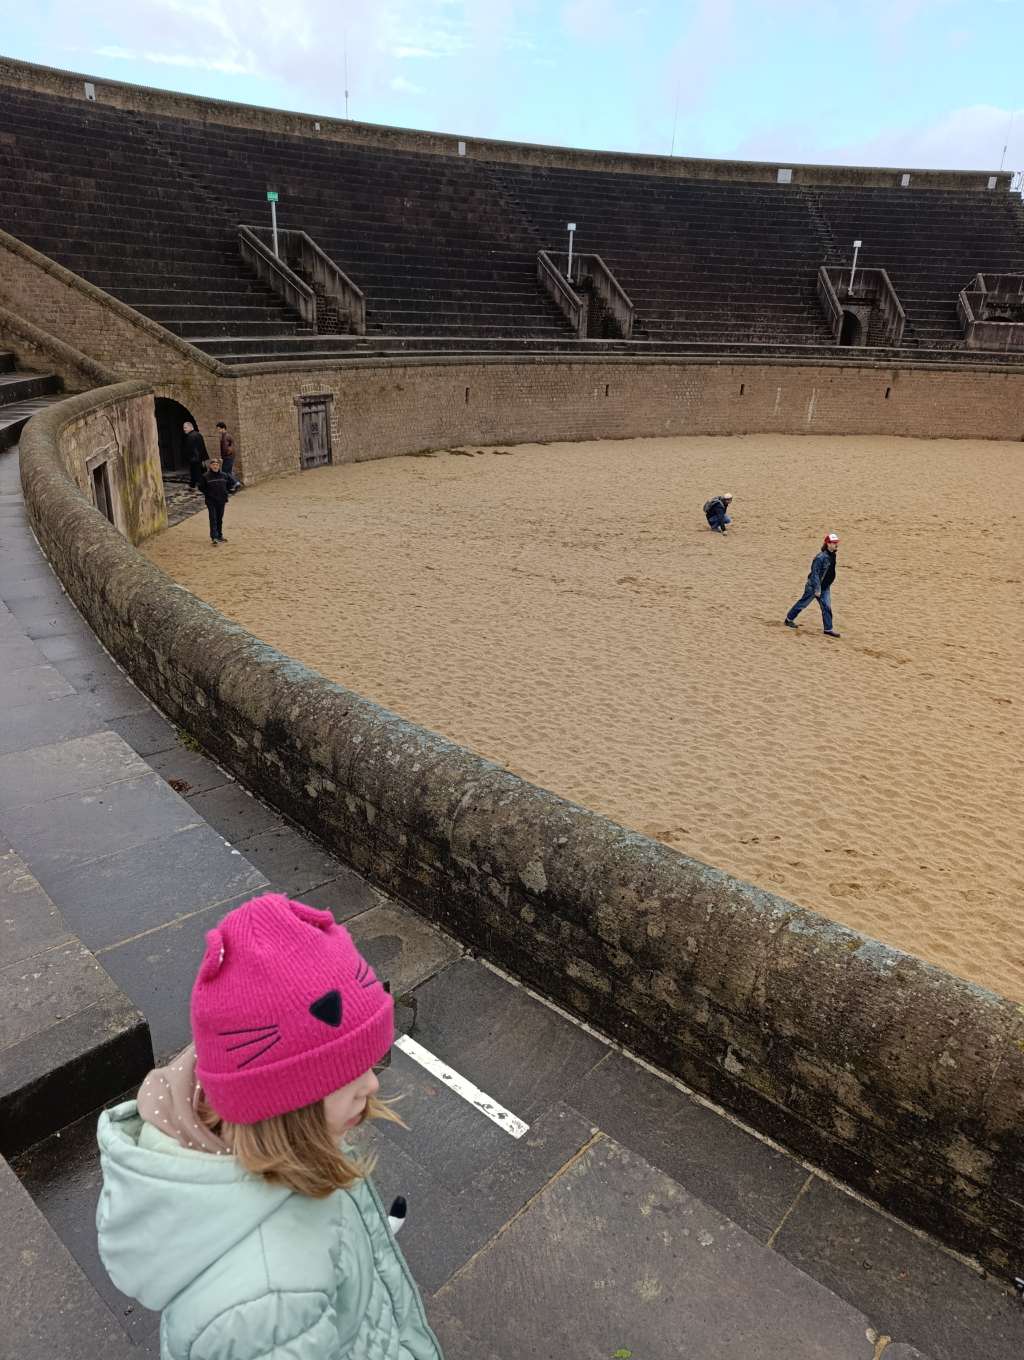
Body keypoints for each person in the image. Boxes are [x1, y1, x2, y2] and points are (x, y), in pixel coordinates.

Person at [96, 894, 443, 1360]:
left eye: (370, 1063)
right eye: (347, 1074)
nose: (373, 1085)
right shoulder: (266, 1310)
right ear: (284, 1105)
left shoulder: (289, 1141)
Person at [785, 532, 841, 637]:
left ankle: (828, 629)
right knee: (803, 603)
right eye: (834, 543)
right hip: (814, 587)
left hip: (825, 587)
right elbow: (815, 574)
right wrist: (817, 589)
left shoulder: (833, 554)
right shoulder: (820, 557)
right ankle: (789, 619)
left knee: (827, 607)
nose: (836, 545)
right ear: (828, 544)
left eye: (836, 542)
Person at [200, 457, 230, 545]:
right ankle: (214, 537)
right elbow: (201, 487)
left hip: (221, 500)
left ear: (219, 466)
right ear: (210, 466)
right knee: (213, 518)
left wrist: (225, 493)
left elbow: (228, 485)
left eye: (217, 465)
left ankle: (220, 536)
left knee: (219, 518)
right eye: (213, 464)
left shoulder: (224, 475)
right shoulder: (205, 476)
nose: (215, 466)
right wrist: (209, 494)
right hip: (211, 501)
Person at [216, 420, 241, 493]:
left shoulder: (225, 437)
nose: (218, 431)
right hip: (230, 456)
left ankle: (236, 482)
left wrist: (222, 457)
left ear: (223, 428)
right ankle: (230, 486)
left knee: (225, 472)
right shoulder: (228, 435)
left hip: (228, 456)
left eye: (219, 429)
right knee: (228, 471)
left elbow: (225, 448)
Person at [183, 421, 209, 491]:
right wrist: (203, 458)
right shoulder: (198, 434)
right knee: (198, 472)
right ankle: (193, 485)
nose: (184, 429)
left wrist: (189, 458)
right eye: (184, 428)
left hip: (194, 458)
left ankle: (199, 486)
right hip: (199, 457)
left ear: (190, 427)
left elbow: (190, 449)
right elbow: (202, 447)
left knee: (196, 473)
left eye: (185, 427)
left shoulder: (190, 436)